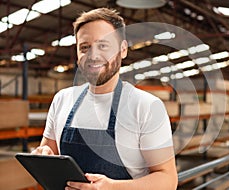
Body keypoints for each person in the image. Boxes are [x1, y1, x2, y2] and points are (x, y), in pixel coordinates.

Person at [32, 7, 178, 190]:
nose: (93, 56)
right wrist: (44, 155)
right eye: (85, 47)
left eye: (103, 46)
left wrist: (111, 188)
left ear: (123, 49)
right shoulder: (62, 100)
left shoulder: (146, 106)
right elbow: (48, 152)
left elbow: (168, 181)